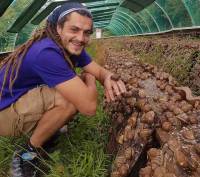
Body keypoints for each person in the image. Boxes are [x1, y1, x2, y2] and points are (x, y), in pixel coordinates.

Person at [0, 2, 126, 177]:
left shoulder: (69, 44)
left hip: (18, 100)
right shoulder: (46, 53)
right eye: (74, 29)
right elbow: (89, 107)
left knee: (75, 88)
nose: (81, 38)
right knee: (70, 100)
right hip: (4, 112)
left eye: (87, 33)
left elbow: (98, 70)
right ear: (58, 28)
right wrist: (89, 77)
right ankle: (27, 154)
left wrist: (107, 77)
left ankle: (47, 132)